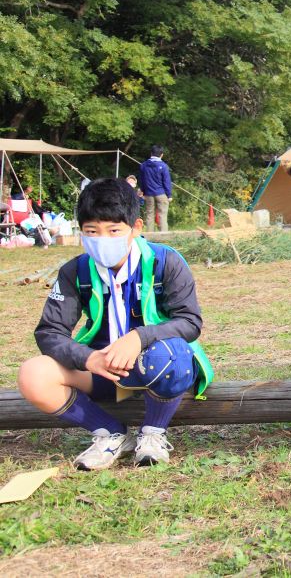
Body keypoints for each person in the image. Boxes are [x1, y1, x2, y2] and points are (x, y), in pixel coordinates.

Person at [16, 178, 214, 469]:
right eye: (92, 231)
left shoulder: (165, 262)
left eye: (113, 230)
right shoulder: (76, 271)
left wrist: (139, 337)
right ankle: (110, 433)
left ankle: (153, 432)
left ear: (136, 227)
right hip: (102, 368)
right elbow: (49, 331)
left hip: (158, 365)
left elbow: (189, 322)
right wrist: (89, 358)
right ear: (81, 232)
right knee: (33, 374)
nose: (102, 239)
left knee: (168, 355)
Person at [138, 144, 172, 232]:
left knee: (149, 215)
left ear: (151, 153)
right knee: (162, 215)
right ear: (162, 155)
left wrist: (143, 191)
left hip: (148, 194)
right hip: (161, 193)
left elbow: (141, 180)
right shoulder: (163, 166)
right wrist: (169, 195)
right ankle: (163, 235)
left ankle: (150, 236)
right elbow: (167, 182)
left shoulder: (143, 165)